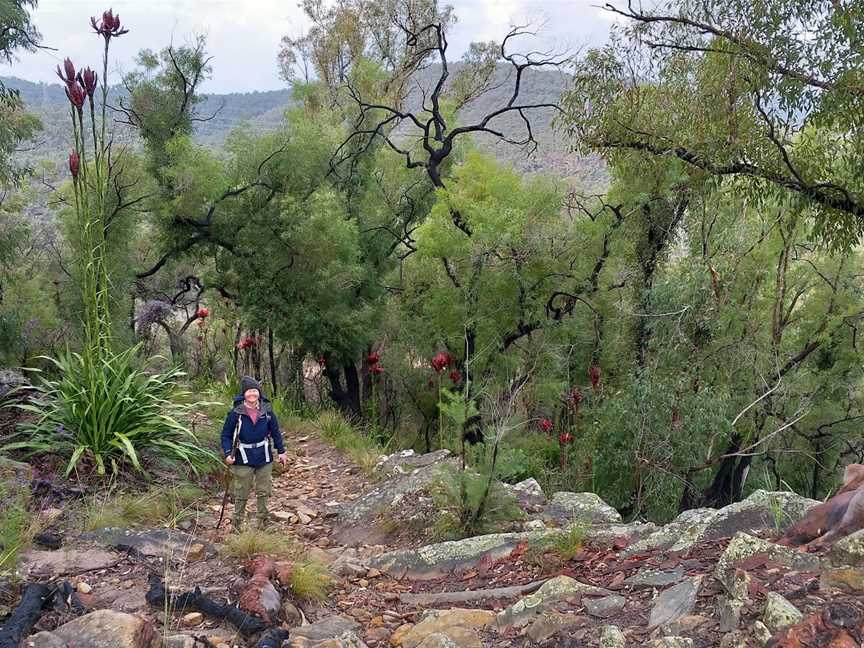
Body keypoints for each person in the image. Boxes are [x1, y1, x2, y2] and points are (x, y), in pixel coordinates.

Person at [221, 376, 287, 530]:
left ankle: (263, 522)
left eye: (255, 391)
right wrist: (227, 453)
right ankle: (237, 524)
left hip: (264, 456)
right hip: (242, 457)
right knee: (241, 492)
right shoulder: (235, 413)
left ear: (259, 393)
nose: (252, 394)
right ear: (244, 393)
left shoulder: (267, 411)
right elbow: (225, 435)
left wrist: (281, 451)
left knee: (264, 491)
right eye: (249, 391)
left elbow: (276, 432)